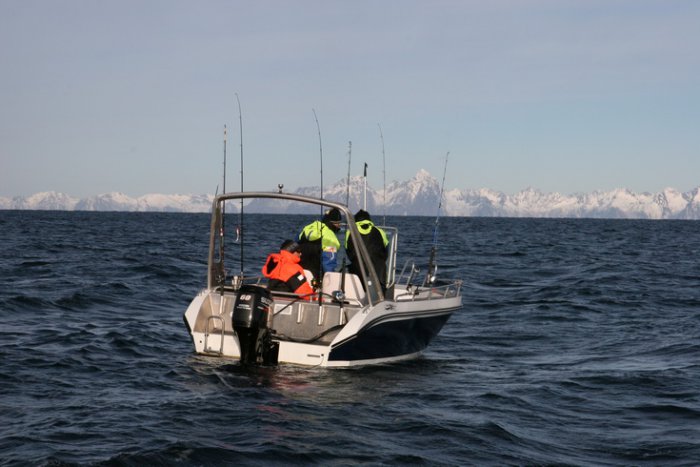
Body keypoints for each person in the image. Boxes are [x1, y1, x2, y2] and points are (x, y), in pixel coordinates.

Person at [345, 209, 389, 292]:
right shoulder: (380, 232)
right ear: (369, 220)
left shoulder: (349, 233)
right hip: (379, 274)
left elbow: (348, 253)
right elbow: (386, 253)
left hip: (357, 274)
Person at [297, 207, 342, 278]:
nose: (339, 226)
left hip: (299, 273)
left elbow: (295, 246)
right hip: (316, 276)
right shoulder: (330, 236)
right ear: (334, 223)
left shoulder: (307, 228)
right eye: (339, 223)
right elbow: (329, 263)